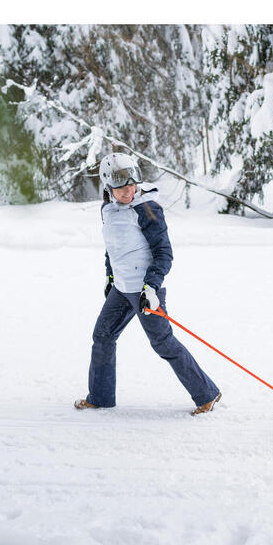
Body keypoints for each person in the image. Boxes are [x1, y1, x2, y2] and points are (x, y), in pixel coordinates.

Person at [74, 152, 221, 415]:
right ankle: (100, 397)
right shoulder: (108, 209)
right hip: (121, 288)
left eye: (132, 182)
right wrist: (110, 275)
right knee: (103, 336)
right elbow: (113, 248)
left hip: (144, 290)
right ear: (108, 184)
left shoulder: (148, 208)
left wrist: (151, 287)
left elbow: (164, 252)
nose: (129, 189)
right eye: (120, 184)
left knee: (163, 342)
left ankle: (207, 394)